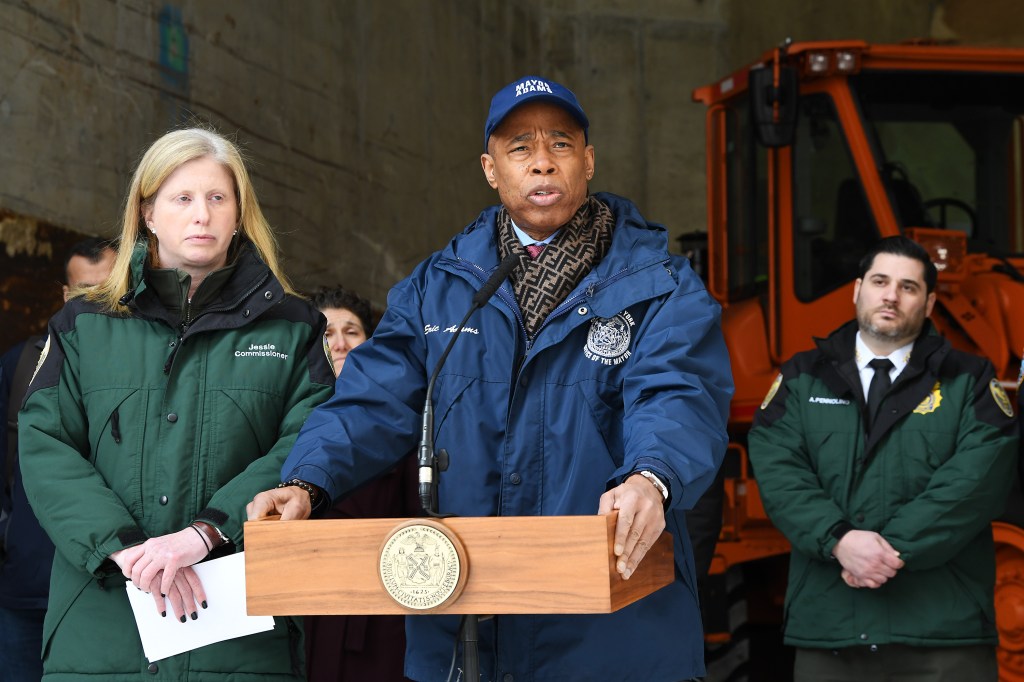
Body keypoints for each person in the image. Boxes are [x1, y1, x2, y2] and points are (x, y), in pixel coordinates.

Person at [248, 76, 733, 681]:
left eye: (560, 144)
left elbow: (678, 395)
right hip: (467, 634)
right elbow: (370, 403)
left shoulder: (660, 284)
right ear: (490, 169)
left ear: (588, 161)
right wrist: (308, 480)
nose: (542, 164)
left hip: (612, 633)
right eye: (520, 148)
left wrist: (651, 477)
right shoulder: (440, 287)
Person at [17, 128, 335, 680]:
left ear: (239, 215)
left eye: (218, 198)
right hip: (101, 625)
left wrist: (204, 533)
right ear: (147, 213)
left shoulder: (293, 328)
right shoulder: (83, 325)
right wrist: (129, 551)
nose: (201, 215)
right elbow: (46, 445)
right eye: (182, 198)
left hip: (240, 636)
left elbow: (307, 444)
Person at [749, 236, 1018, 681]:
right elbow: (780, 474)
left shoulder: (969, 380)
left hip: (943, 637)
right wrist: (839, 540)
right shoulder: (801, 378)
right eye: (880, 281)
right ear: (857, 290)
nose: (891, 295)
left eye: (908, 287)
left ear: (929, 303)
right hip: (830, 634)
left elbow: (976, 483)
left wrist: (887, 550)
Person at [0, 237, 115, 682]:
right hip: (25, 586)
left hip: (108, 586)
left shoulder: (151, 366)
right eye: (85, 292)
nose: (95, 304)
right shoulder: (21, 364)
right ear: (66, 295)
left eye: (105, 291)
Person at [305, 285, 416, 682]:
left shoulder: (400, 422)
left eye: (351, 332)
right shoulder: (286, 415)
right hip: (300, 607)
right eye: (327, 332)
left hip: (375, 620)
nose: (339, 344)